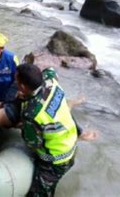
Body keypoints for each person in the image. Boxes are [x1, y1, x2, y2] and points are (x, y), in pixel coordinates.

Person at [15, 64, 79, 197]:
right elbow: (50, 70)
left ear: (22, 87)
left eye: (17, 80)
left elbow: (33, 143)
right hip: (71, 145)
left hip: (54, 161)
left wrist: (22, 127)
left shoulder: (31, 114)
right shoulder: (51, 81)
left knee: (38, 193)